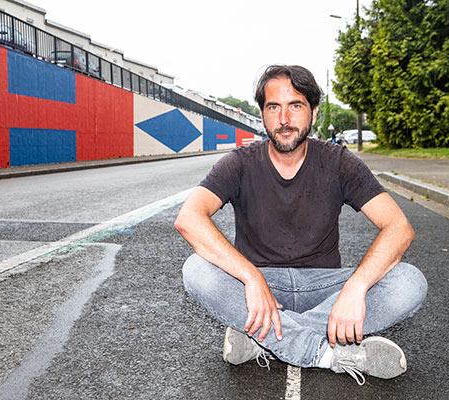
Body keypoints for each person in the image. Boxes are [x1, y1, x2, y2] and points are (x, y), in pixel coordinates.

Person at [174, 65, 427, 385]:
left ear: (314, 111)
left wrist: (356, 288)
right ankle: (327, 354)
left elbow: (398, 227)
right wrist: (251, 277)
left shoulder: (338, 162)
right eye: (273, 107)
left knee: (409, 281)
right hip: (261, 288)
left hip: (326, 288)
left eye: (295, 105)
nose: (284, 118)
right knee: (196, 269)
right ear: (263, 114)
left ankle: (263, 337)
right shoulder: (239, 163)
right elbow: (189, 218)